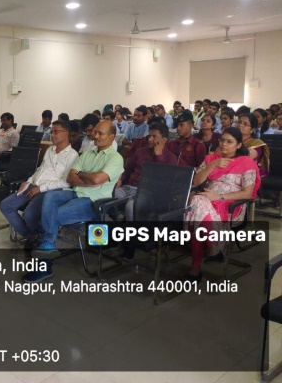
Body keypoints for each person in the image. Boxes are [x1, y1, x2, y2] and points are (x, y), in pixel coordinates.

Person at [33, 121, 124, 263]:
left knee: (52, 215)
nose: (95, 136)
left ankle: (46, 249)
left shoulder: (116, 158)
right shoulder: (87, 153)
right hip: (75, 192)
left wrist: (81, 174)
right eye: (95, 132)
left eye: (100, 133)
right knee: (50, 195)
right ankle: (47, 243)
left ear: (111, 137)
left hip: (93, 201)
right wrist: (87, 179)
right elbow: (71, 177)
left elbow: (96, 179)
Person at [185, 127, 261, 280]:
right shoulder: (211, 159)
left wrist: (218, 197)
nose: (224, 144)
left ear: (238, 145)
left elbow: (247, 193)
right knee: (199, 205)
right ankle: (213, 248)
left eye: (229, 142)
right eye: (222, 140)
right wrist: (213, 165)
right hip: (208, 201)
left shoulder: (246, 162)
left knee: (197, 205)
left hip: (232, 207)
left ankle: (196, 268)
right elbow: (196, 181)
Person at [0, 120, 78, 252]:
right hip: (34, 185)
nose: (52, 135)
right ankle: (33, 236)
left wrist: (41, 189)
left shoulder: (72, 155)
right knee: (5, 205)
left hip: (50, 191)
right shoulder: (50, 150)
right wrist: (29, 181)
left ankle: (39, 237)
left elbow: (67, 182)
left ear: (66, 133)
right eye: (52, 132)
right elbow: (40, 169)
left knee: (29, 214)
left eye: (56, 132)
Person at [115, 123, 177, 221]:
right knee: (107, 197)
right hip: (128, 188)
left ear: (164, 140)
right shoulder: (140, 152)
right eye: (149, 136)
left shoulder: (171, 158)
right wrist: (120, 180)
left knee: (131, 207)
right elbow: (127, 169)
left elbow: (165, 180)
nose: (150, 139)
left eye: (154, 137)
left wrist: (159, 156)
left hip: (148, 193)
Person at [237, 113, 269, 178]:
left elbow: (244, 159)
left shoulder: (256, 144)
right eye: (239, 122)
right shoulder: (232, 140)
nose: (240, 125)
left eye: (245, 124)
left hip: (249, 175)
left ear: (252, 130)